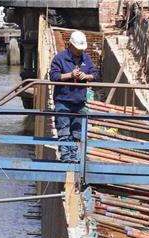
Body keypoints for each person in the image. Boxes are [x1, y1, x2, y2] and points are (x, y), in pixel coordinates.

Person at [49, 31, 100, 163]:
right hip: (63, 100)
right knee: (64, 131)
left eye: (81, 49)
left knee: (77, 131)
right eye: (78, 49)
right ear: (70, 45)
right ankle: (66, 158)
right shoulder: (59, 58)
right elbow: (54, 76)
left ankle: (74, 156)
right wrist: (70, 75)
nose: (79, 52)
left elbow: (95, 73)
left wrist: (87, 76)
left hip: (79, 101)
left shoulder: (86, 58)